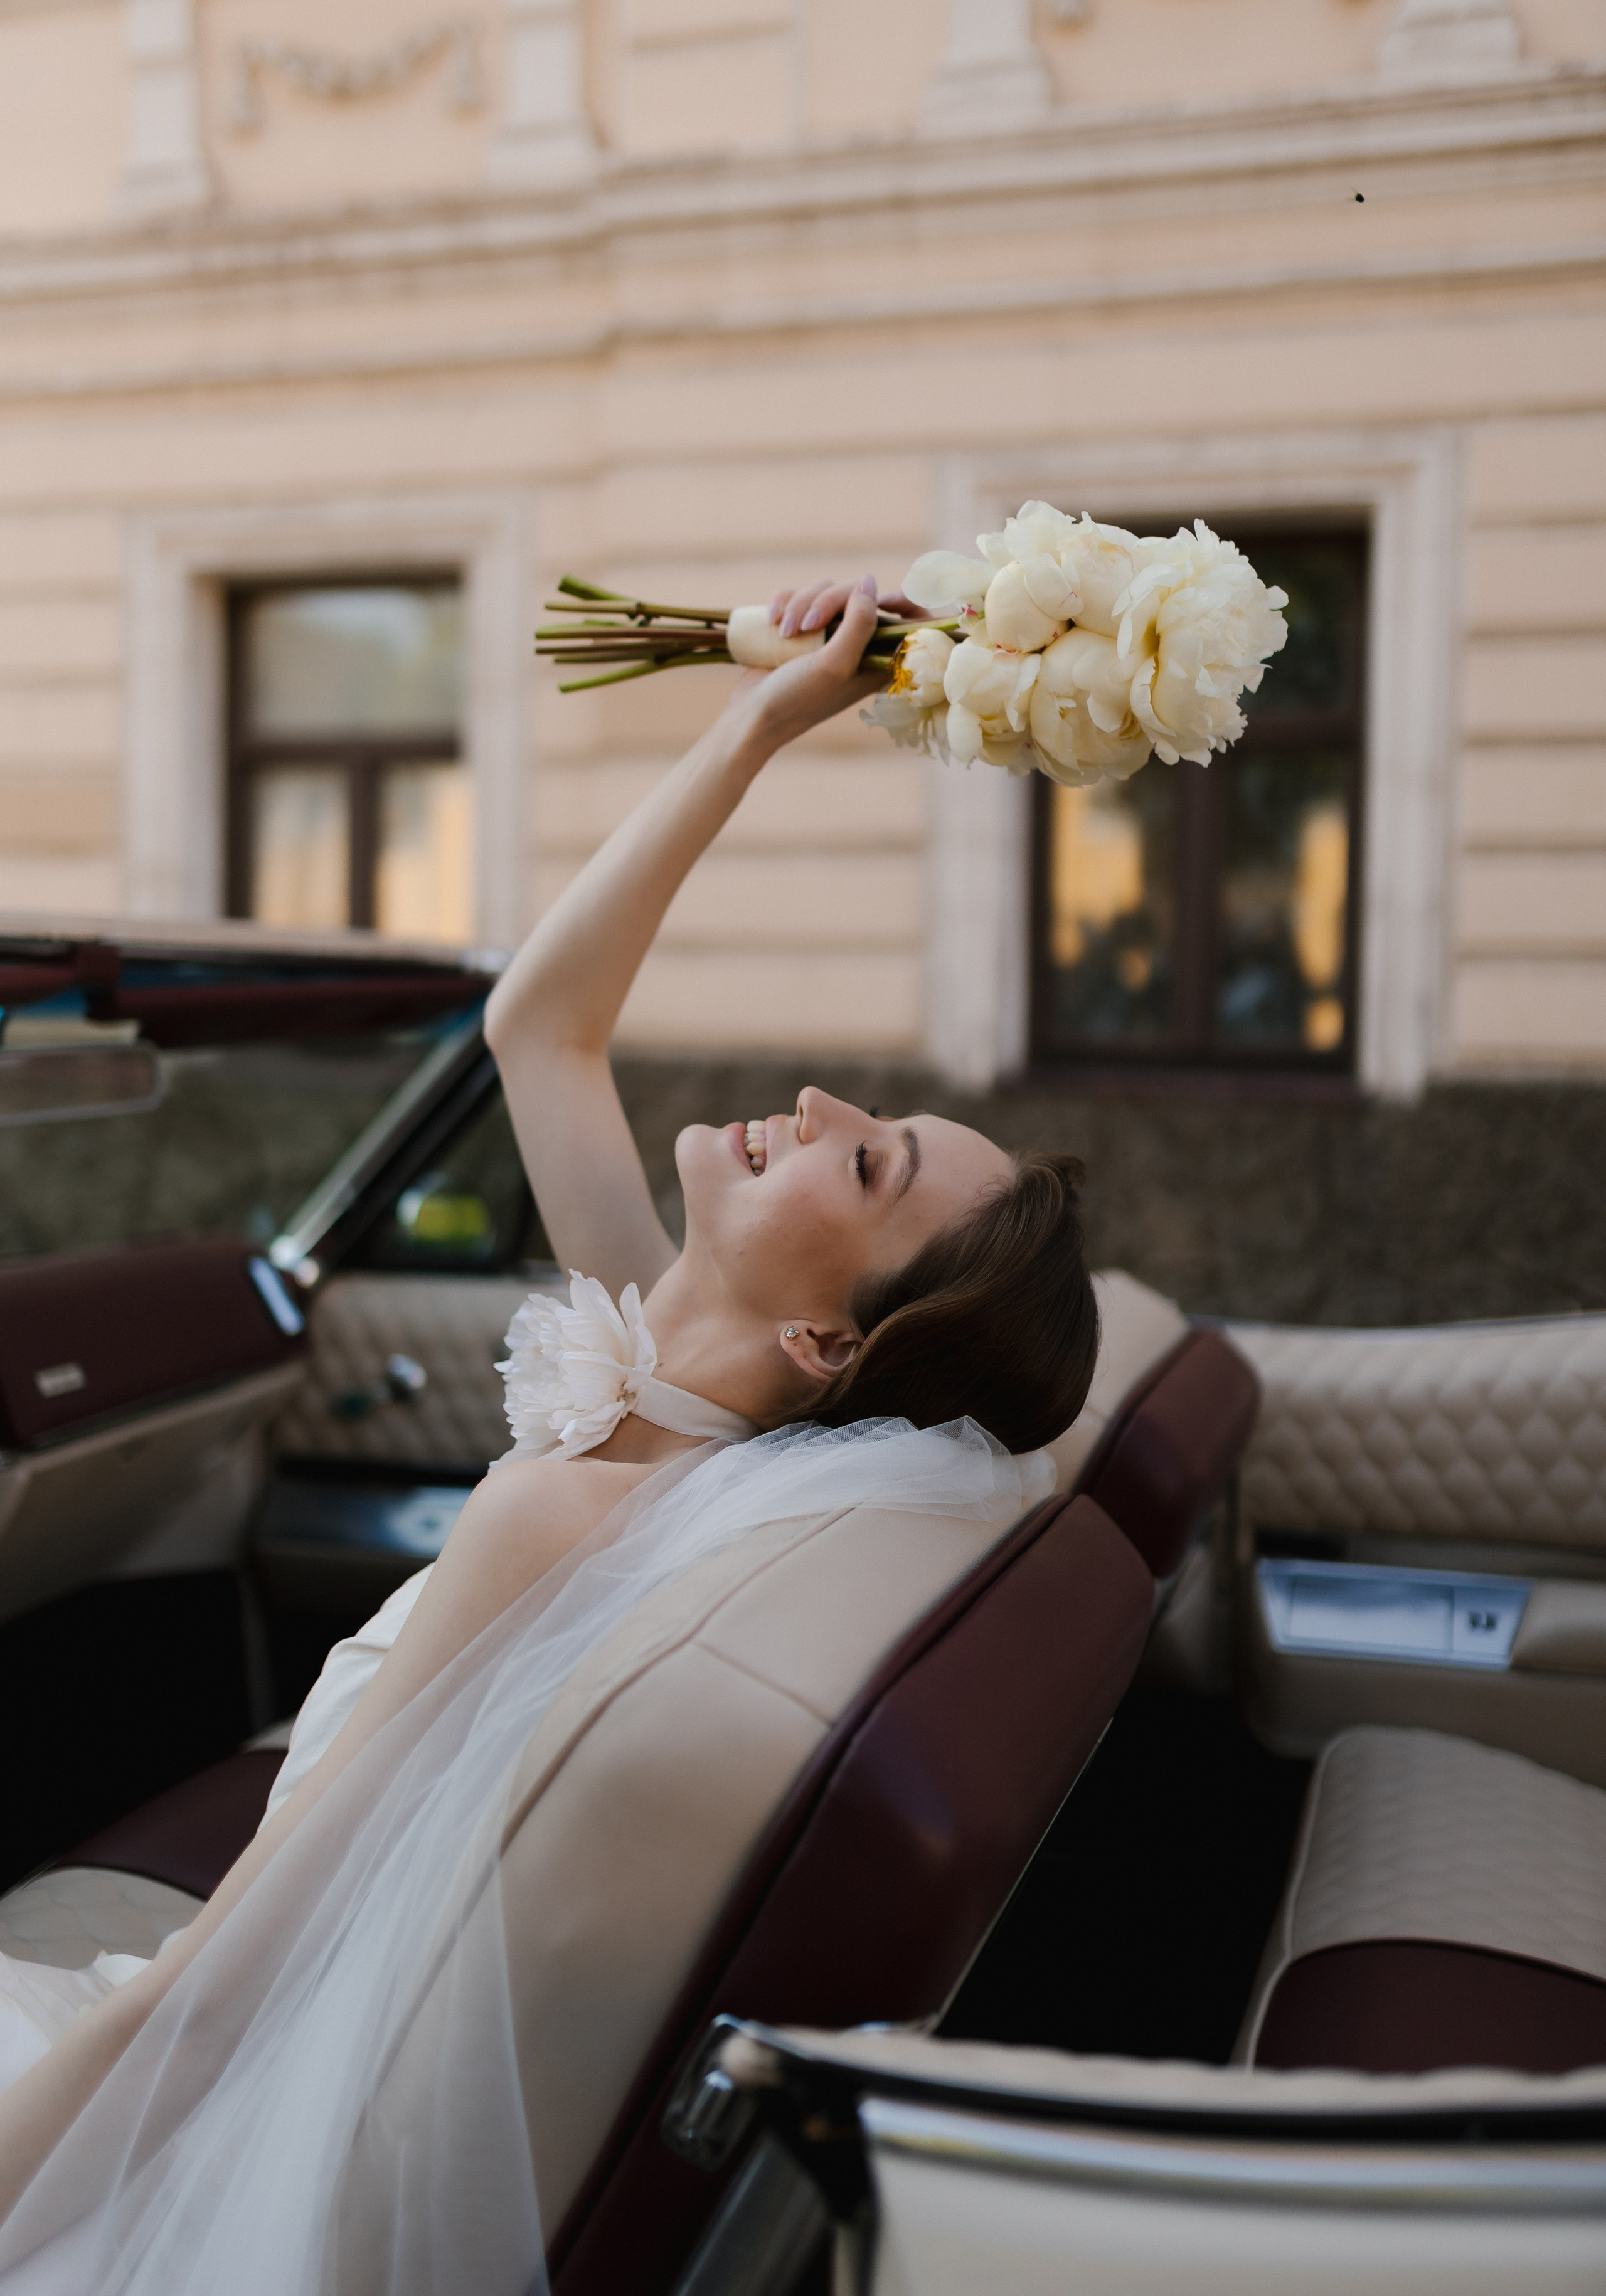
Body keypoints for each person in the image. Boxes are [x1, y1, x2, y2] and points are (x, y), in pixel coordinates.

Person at [0, 576, 1100, 2293]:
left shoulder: (572, 1511)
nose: (813, 1105)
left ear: (828, 1339)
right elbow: (539, 1025)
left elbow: (221, 1989)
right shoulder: (682, 1400)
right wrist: (763, 713)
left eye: (865, 1157)